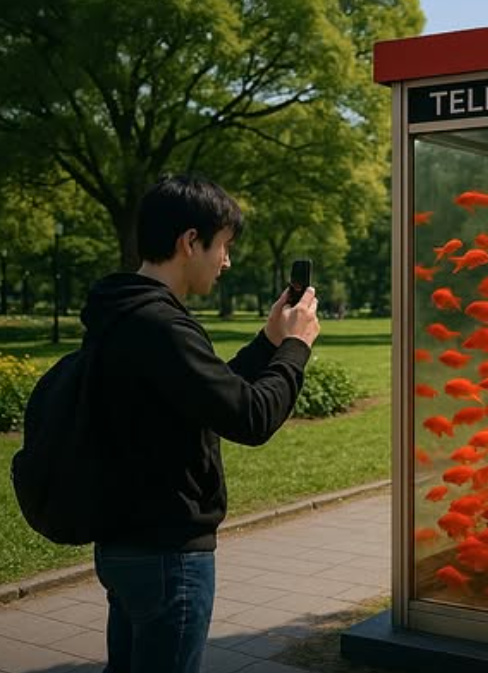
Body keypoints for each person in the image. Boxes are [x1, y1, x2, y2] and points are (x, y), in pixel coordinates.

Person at [81, 174, 320, 673]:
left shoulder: (123, 313)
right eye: (225, 246)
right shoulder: (163, 326)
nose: (227, 261)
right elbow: (251, 418)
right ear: (190, 241)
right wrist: (297, 349)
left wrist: (268, 342)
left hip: (123, 544)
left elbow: (209, 394)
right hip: (168, 554)